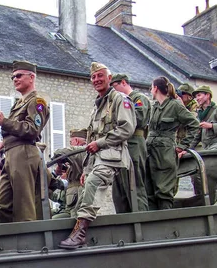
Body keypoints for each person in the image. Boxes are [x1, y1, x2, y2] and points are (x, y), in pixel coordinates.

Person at [58, 62, 135, 249]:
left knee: (94, 182)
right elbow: (91, 139)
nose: (96, 80)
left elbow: (127, 128)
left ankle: (80, 232)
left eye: (100, 76)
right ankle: (76, 228)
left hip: (113, 156)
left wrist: (99, 143)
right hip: (96, 159)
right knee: (84, 188)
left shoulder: (119, 99)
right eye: (93, 77)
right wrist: (86, 168)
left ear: (109, 78)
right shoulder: (97, 107)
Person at [0, 60, 50, 222]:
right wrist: (5, 142)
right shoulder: (19, 103)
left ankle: (28, 243)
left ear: (31, 78)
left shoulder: (37, 102)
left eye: (18, 76)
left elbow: (32, 130)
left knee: (24, 207)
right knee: (2, 206)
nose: (15, 79)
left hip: (24, 154)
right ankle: (13, 239)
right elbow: (19, 129)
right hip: (11, 154)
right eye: (13, 77)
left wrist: (4, 122)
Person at [145, 77, 200, 210]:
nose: (151, 90)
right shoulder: (155, 107)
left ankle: (166, 224)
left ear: (155, 88)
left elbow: (194, 125)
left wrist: (183, 146)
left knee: (163, 191)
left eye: (151, 87)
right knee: (149, 191)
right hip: (150, 151)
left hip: (165, 153)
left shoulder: (175, 105)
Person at [109, 73, 150, 212]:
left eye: (115, 87)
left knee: (135, 186)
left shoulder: (138, 99)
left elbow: (139, 119)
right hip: (120, 146)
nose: (114, 91)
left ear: (124, 83)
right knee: (119, 191)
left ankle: (142, 223)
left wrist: (120, 119)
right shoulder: (116, 103)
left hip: (134, 143)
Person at [52, 129, 87, 219]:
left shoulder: (82, 152)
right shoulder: (76, 156)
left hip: (77, 203)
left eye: (71, 142)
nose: (70, 145)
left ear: (76, 141)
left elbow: (59, 152)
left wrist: (57, 158)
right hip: (71, 204)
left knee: (54, 221)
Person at [189, 85, 217, 150]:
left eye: (199, 95)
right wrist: (188, 149)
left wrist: (212, 126)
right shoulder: (199, 115)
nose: (197, 99)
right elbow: (197, 136)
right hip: (206, 148)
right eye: (196, 97)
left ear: (207, 95)